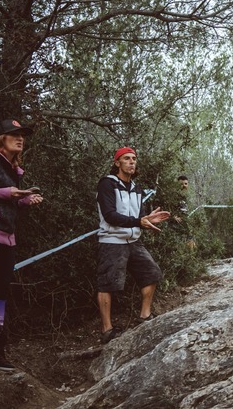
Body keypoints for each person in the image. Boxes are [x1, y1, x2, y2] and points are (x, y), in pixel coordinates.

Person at [0, 119, 44, 370]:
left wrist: (23, 201)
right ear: (1, 139)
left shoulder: (13, 169)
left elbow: (7, 201)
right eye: (14, 134)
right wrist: (3, 194)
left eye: (22, 136)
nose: (21, 139)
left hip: (7, 237)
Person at [96, 147, 170, 344]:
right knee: (107, 283)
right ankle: (107, 330)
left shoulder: (137, 188)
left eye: (134, 159)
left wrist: (149, 219)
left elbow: (138, 218)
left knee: (152, 273)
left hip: (133, 240)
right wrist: (139, 222)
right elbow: (110, 215)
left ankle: (144, 316)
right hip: (112, 240)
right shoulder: (107, 184)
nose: (131, 162)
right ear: (117, 163)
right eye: (126, 158)